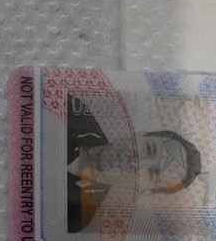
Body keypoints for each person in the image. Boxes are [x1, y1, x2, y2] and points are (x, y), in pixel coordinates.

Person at [67, 95, 202, 231]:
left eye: (151, 172)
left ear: (145, 192)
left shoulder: (75, 216)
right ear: (138, 134)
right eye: (148, 149)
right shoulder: (71, 111)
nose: (135, 161)